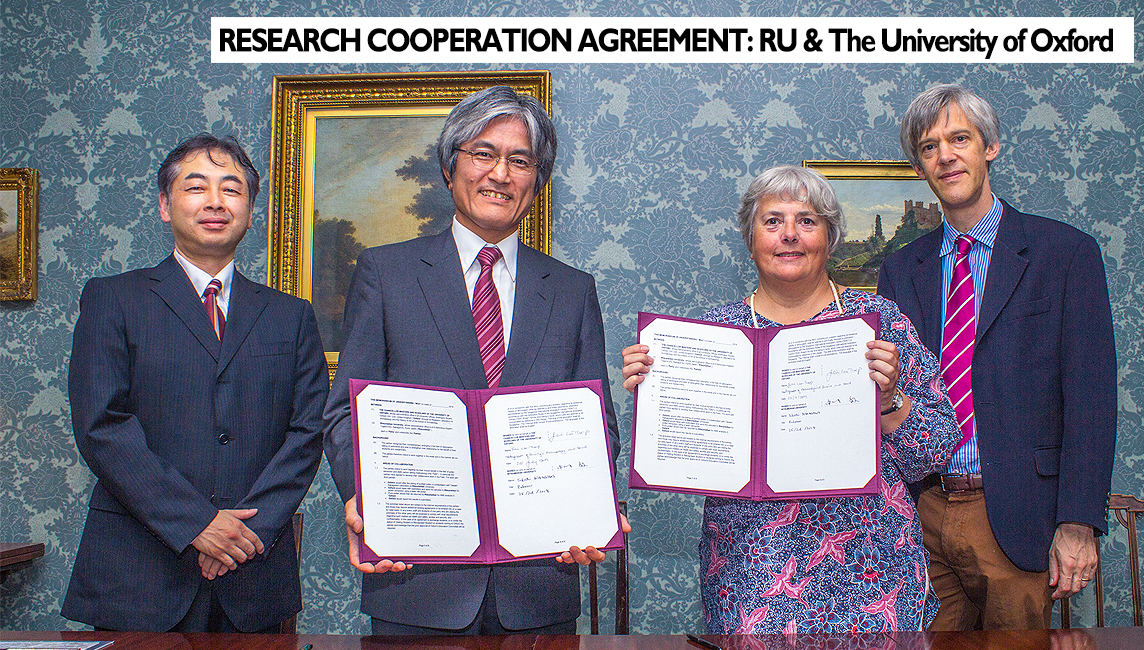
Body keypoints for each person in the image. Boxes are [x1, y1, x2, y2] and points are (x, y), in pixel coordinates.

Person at [322, 85, 622, 635]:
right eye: (483, 153)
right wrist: (362, 497)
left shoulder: (573, 290)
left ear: (537, 179)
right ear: (450, 164)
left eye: (520, 160)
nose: (500, 174)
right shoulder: (386, 274)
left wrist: (595, 506)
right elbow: (345, 411)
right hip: (416, 580)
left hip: (540, 584)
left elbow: (595, 418)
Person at [621, 166, 959, 633]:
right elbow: (682, 452)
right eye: (773, 221)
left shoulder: (878, 322)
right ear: (751, 237)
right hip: (751, 572)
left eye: (807, 221)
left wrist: (889, 399)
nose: (789, 236)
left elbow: (939, 446)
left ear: (830, 236)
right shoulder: (712, 334)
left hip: (872, 572)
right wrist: (657, 393)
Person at [62, 134, 329, 632]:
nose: (214, 202)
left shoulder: (290, 316)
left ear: (250, 212)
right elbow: (102, 427)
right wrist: (197, 524)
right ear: (166, 205)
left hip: (253, 575)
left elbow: (307, 432)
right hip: (138, 575)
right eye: (195, 187)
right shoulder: (113, 299)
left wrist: (248, 534)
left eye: (232, 189)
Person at [878, 84, 1117, 630]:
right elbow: (890, 392)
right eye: (930, 146)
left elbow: (1091, 400)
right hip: (920, 516)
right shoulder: (901, 269)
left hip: (1018, 515)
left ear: (990, 147)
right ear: (919, 167)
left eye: (959, 138)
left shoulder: (1065, 254)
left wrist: (1078, 522)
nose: (946, 155)